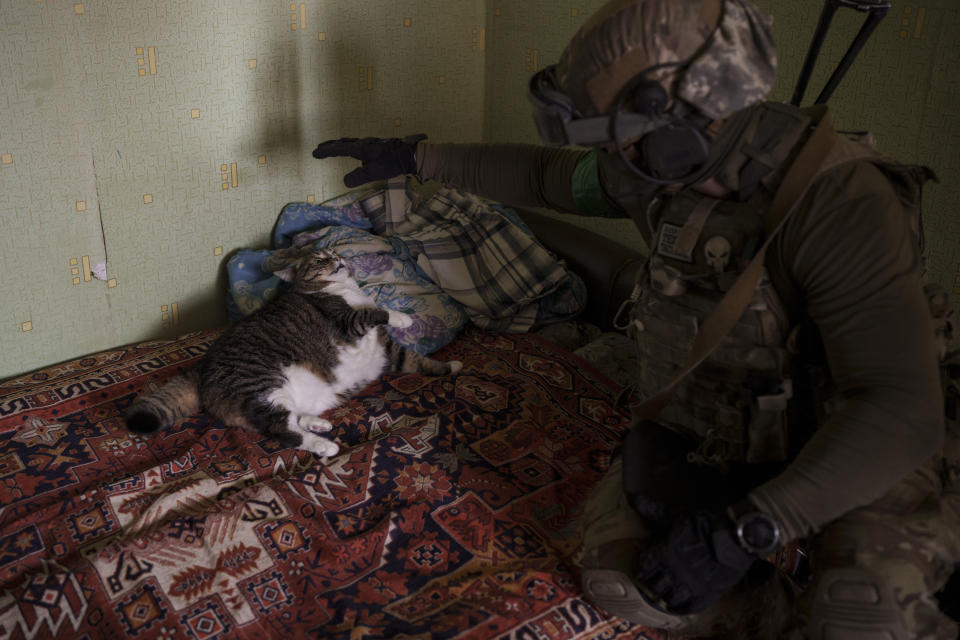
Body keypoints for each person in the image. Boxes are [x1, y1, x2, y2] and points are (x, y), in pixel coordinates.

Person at [311, 0, 960, 637]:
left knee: (861, 611)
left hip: (855, 442)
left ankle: (809, 564)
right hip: (725, 427)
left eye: (617, 138)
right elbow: (547, 177)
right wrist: (417, 160)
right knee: (628, 587)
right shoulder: (661, 170)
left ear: (684, 126)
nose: (613, 161)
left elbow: (898, 410)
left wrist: (747, 529)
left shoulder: (843, 201)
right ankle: (771, 590)